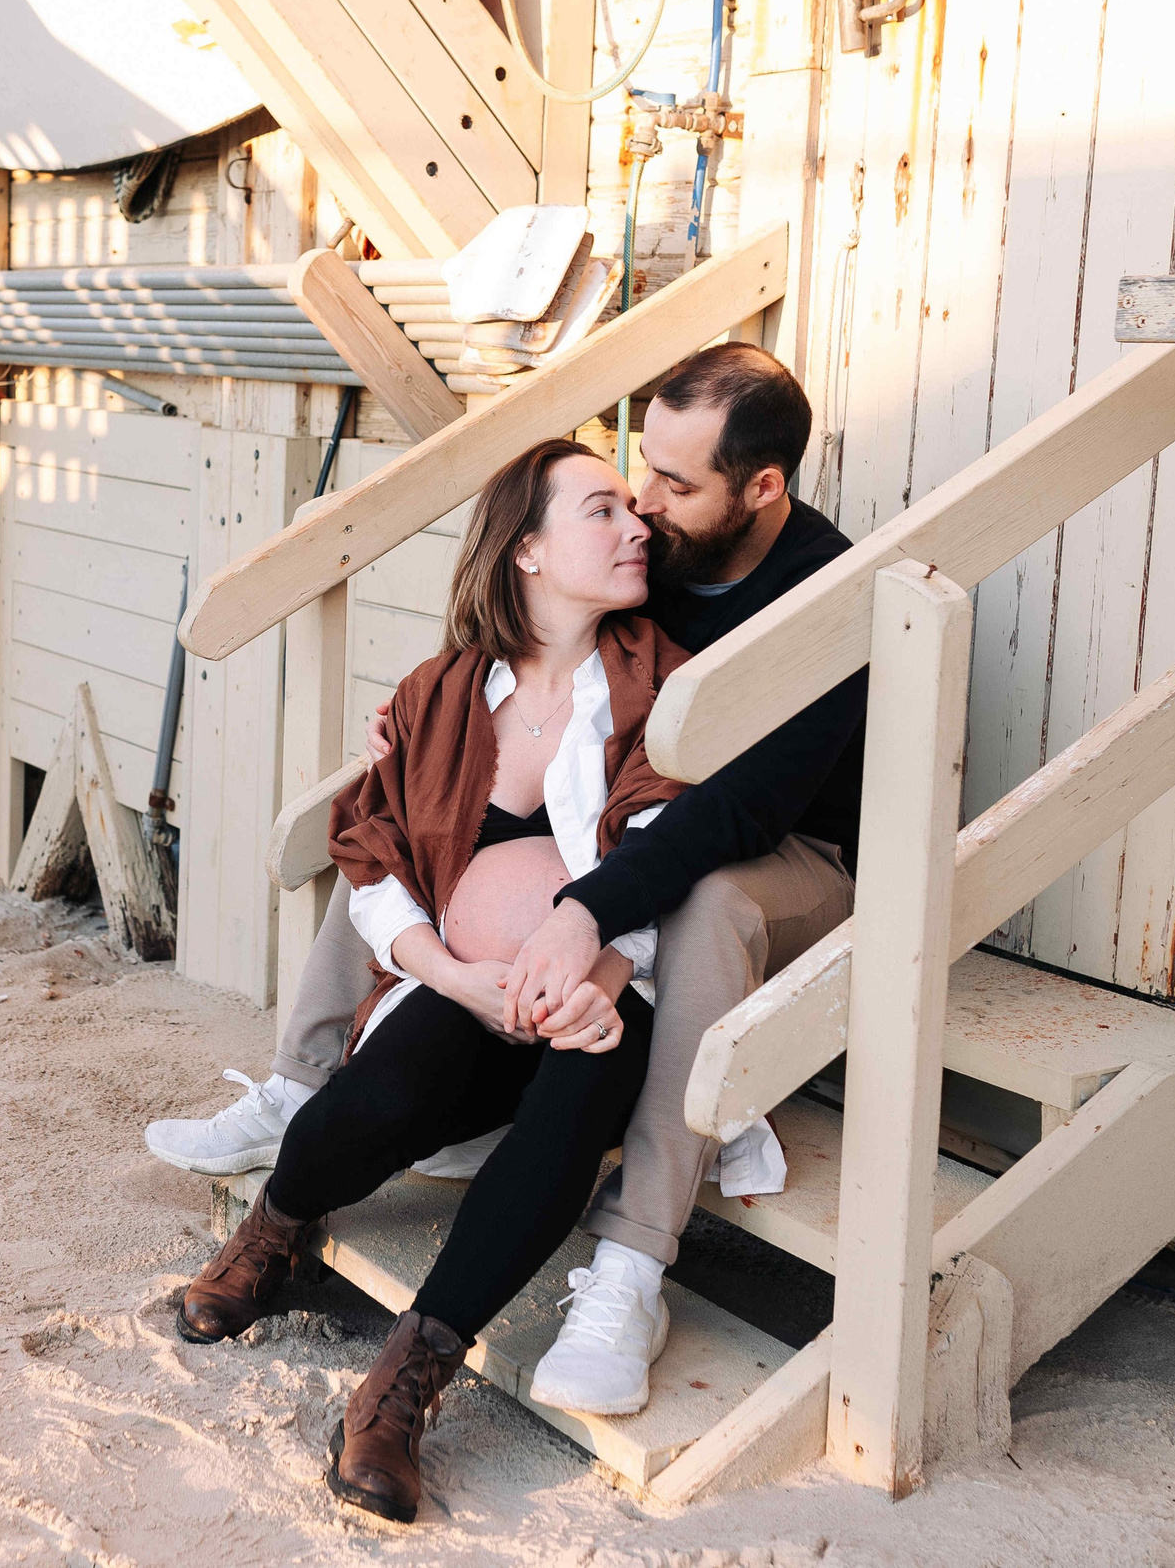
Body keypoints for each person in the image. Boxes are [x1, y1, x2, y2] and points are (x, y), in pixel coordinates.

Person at [146, 343, 865, 1418]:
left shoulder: (822, 593)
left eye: (673, 487)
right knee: (415, 811)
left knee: (704, 902)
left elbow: (732, 814)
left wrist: (595, 929)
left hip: (784, 852)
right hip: (627, 839)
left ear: (760, 488)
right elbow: (533, 636)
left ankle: (630, 1263)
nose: (645, 511)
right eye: (633, 482)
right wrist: (431, 722)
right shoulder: (646, 549)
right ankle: (300, 1093)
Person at [175, 440, 686, 1525]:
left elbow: (666, 848)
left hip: (598, 990)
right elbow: (371, 858)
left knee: (573, 1099)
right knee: (364, 1109)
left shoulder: (661, 684)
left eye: (634, 510)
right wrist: (452, 977)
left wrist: (592, 976)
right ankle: (274, 1236)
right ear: (529, 551)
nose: (637, 527)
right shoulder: (442, 692)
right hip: (463, 985)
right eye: (604, 511)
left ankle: (406, 1382)